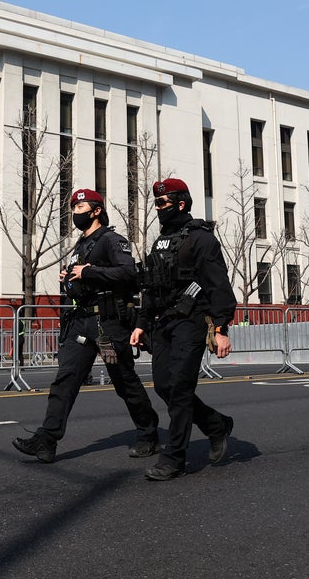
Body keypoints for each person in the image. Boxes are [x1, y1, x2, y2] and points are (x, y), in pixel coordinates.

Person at [13, 189, 159, 464]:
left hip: (106, 326)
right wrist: (71, 279)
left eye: (81, 207)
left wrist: (88, 272)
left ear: (95, 211)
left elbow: (129, 274)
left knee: (123, 381)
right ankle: (47, 440)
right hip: (81, 324)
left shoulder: (112, 240)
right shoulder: (82, 245)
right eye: (74, 208)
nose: (75, 212)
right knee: (65, 379)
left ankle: (148, 433)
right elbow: (85, 282)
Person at [131, 178, 235, 481]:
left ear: (181, 203)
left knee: (180, 388)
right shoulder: (160, 241)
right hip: (163, 322)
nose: (159, 208)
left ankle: (174, 457)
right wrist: (140, 323)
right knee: (164, 385)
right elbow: (151, 286)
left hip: (192, 320)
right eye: (157, 204)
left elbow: (219, 285)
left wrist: (220, 328)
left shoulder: (202, 239)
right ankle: (216, 424)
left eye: (163, 203)